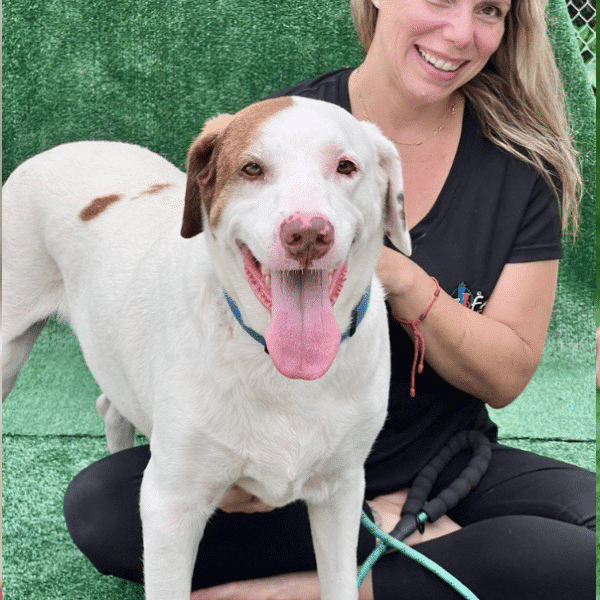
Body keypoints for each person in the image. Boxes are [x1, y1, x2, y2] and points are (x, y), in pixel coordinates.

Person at [63, 0, 595, 598]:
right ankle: (424, 546)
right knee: (102, 509)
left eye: (489, 10)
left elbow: (507, 375)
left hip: (441, 464)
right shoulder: (278, 122)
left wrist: (396, 274)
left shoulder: (519, 166)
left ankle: (287, 588)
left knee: (588, 548)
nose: (459, 32)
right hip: (279, 485)